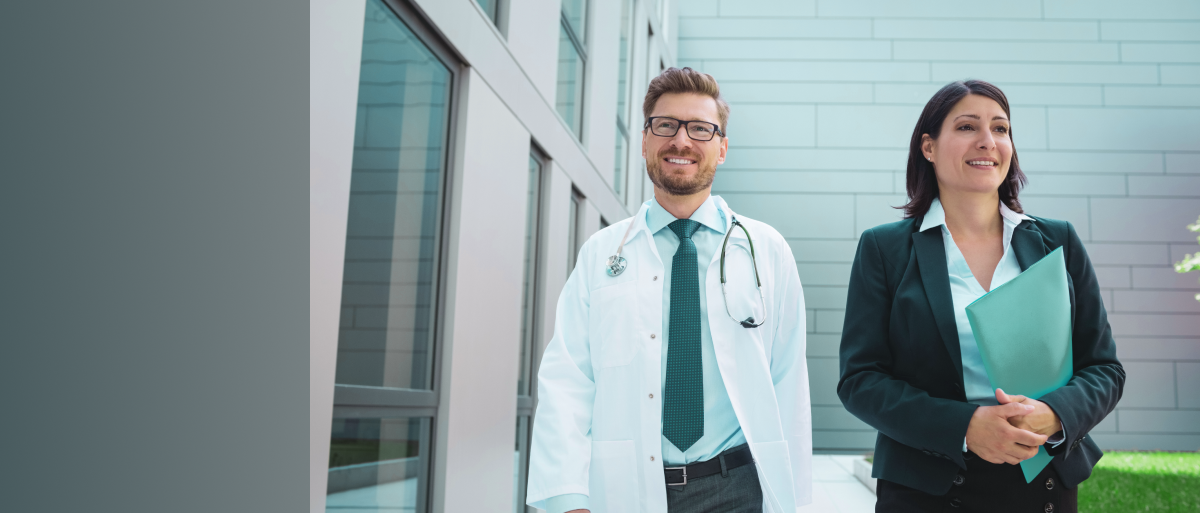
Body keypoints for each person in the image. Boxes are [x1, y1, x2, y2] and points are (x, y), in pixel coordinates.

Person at [526, 67, 812, 513]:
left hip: (736, 487)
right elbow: (568, 379)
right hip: (622, 489)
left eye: (700, 128)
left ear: (722, 149)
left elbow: (788, 384)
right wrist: (568, 498)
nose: (681, 141)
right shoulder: (602, 252)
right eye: (666, 126)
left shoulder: (765, 250)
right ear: (645, 141)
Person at [837, 79, 1125, 513]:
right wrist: (967, 427)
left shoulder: (1056, 241)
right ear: (928, 147)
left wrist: (1054, 414)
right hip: (929, 488)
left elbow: (1103, 368)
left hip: (1043, 481)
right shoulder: (885, 249)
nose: (988, 141)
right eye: (968, 127)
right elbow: (861, 380)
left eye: (1001, 128)